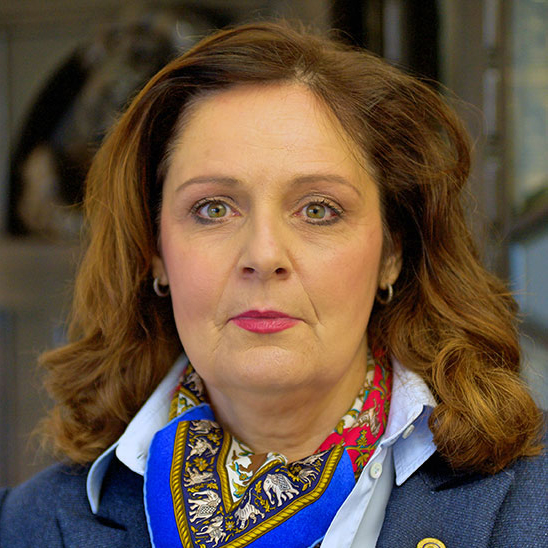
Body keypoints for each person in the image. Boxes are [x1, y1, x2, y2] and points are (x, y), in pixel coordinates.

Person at [0, 21, 546, 548]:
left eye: (318, 209)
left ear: (391, 252)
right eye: (214, 208)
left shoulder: (533, 500)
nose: (263, 256)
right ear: (155, 251)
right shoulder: (26, 527)